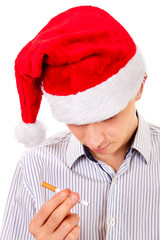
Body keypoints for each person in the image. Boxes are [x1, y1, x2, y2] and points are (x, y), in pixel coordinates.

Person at [0, 5, 160, 240]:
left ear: (139, 87)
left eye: (108, 116)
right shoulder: (35, 166)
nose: (93, 140)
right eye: (76, 121)